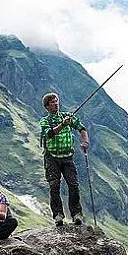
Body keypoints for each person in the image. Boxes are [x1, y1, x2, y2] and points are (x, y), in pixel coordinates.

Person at [40, 92, 89, 227]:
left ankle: (76, 214)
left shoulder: (67, 116)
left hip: (68, 157)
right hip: (52, 158)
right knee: (54, 186)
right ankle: (58, 215)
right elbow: (49, 134)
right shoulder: (45, 121)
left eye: (56, 101)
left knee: (73, 185)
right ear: (47, 107)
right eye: (52, 102)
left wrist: (85, 141)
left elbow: (81, 128)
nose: (56, 104)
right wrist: (62, 124)